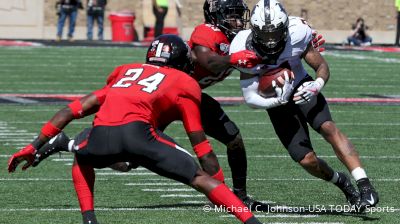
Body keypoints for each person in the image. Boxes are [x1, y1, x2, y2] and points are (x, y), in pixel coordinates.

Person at [8, 35, 263, 224]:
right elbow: (199, 142)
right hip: (140, 136)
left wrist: (33, 147)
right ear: (181, 60)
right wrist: (218, 186)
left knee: (84, 155)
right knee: (199, 178)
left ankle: (89, 218)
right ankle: (251, 222)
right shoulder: (184, 81)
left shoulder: (125, 72)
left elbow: (69, 111)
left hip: (101, 136)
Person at [230, 0, 378, 212]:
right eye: (265, 34)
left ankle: (365, 185)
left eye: (275, 33)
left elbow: (321, 66)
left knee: (328, 127)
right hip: (276, 99)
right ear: (253, 30)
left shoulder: (297, 32)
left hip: (302, 85)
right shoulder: (242, 45)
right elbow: (250, 97)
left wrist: (316, 85)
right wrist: (277, 101)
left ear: (285, 28)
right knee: (307, 160)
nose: (271, 40)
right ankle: (342, 182)